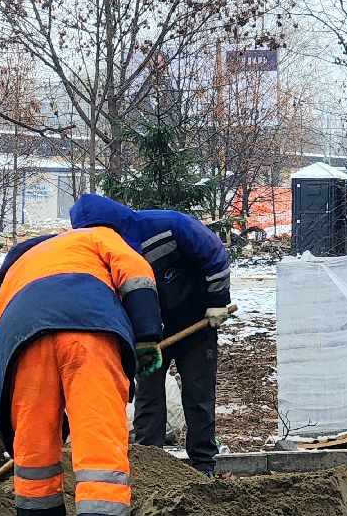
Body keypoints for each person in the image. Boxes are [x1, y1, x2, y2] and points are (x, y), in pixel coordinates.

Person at [0, 225, 163, 516]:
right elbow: (136, 274)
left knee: (34, 456)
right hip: (90, 331)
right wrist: (147, 335)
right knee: (100, 454)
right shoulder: (99, 236)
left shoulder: (19, 265)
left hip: (22, 340)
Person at [69, 194, 231, 477]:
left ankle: (204, 466)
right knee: (148, 398)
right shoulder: (100, 254)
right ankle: (150, 467)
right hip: (148, 335)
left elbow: (214, 252)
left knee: (198, 396)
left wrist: (218, 299)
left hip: (195, 324)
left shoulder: (169, 226)